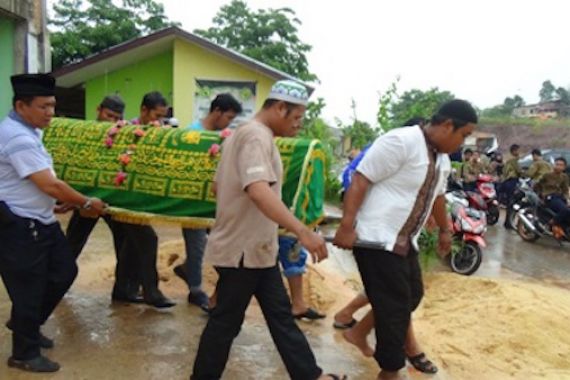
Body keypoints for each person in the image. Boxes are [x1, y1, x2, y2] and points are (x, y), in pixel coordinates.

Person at [191, 80, 344, 380]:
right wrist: (302, 231)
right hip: (243, 252)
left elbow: (219, 185)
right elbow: (259, 191)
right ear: (279, 107)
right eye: (297, 117)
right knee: (225, 324)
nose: (299, 125)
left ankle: (310, 375)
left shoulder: (248, 135)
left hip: (257, 250)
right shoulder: (255, 137)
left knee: (281, 317)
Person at [334, 99, 478, 380]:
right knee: (395, 307)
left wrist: (445, 231)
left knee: (411, 296)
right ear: (448, 125)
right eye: (463, 135)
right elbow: (361, 180)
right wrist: (346, 226)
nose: (462, 143)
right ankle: (390, 371)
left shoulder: (441, 158)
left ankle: (359, 332)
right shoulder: (400, 141)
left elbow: (437, 195)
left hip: (403, 241)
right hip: (375, 239)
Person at [0, 74, 107, 372]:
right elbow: (50, 184)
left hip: (40, 219)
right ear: (21, 106)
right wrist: (84, 202)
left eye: (53, 106)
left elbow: (38, 184)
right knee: (29, 288)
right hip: (19, 225)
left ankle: (27, 323)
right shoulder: (17, 137)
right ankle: (24, 353)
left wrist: (55, 202)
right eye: (44, 106)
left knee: (63, 271)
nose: (51, 113)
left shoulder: (30, 131)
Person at [334, 116, 437, 374]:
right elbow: (357, 183)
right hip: (373, 230)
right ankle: (402, 355)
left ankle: (355, 325)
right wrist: (349, 225)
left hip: (397, 235)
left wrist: (427, 214)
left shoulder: (428, 156)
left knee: (400, 296)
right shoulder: (393, 147)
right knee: (395, 299)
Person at [65, 95, 142, 302]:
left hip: (110, 199)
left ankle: (124, 290)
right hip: (87, 199)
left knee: (124, 241)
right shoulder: (85, 133)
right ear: (98, 110)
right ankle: (55, 282)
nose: (111, 121)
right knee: (74, 241)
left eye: (116, 117)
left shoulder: (122, 134)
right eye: (108, 115)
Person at [174, 93, 243, 310]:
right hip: (193, 202)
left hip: (215, 204)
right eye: (228, 117)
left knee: (220, 246)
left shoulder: (225, 138)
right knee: (197, 246)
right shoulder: (191, 135)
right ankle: (195, 290)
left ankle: (189, 271)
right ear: (217, 112)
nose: (230, 123)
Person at [121, 91, 175, 308]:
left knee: (129, 245)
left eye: (162, 117)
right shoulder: (127, 131)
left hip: (139, 200)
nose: (159, 121)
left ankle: (123, 290)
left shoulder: (158, 133)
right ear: (144, 110)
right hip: (124, 198)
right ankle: (151, 291)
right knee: (147, 240)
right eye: (156, 115)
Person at [535, 157, 570, 239]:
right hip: (549, 196)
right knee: (565, 210)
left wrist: (567, 199)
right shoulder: (547, 175)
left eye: (561, 165)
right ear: (553, 165)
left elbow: (565, 189)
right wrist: (541, 195)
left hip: (559, 197)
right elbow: (537, 185)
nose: (558, 167)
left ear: (564, 167)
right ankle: (552, 222)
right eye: (557, 164)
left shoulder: (564, 177)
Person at [501, 144, 524, 229]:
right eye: (518, 150)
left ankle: (507, 222)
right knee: (511, 202)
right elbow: (519, 171)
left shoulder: (508, 159)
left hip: (508, 181)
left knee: (510, 202)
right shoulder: (513, 160)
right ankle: (508, 222)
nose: (519, 153)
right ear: (514, 151)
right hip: (512, 182)